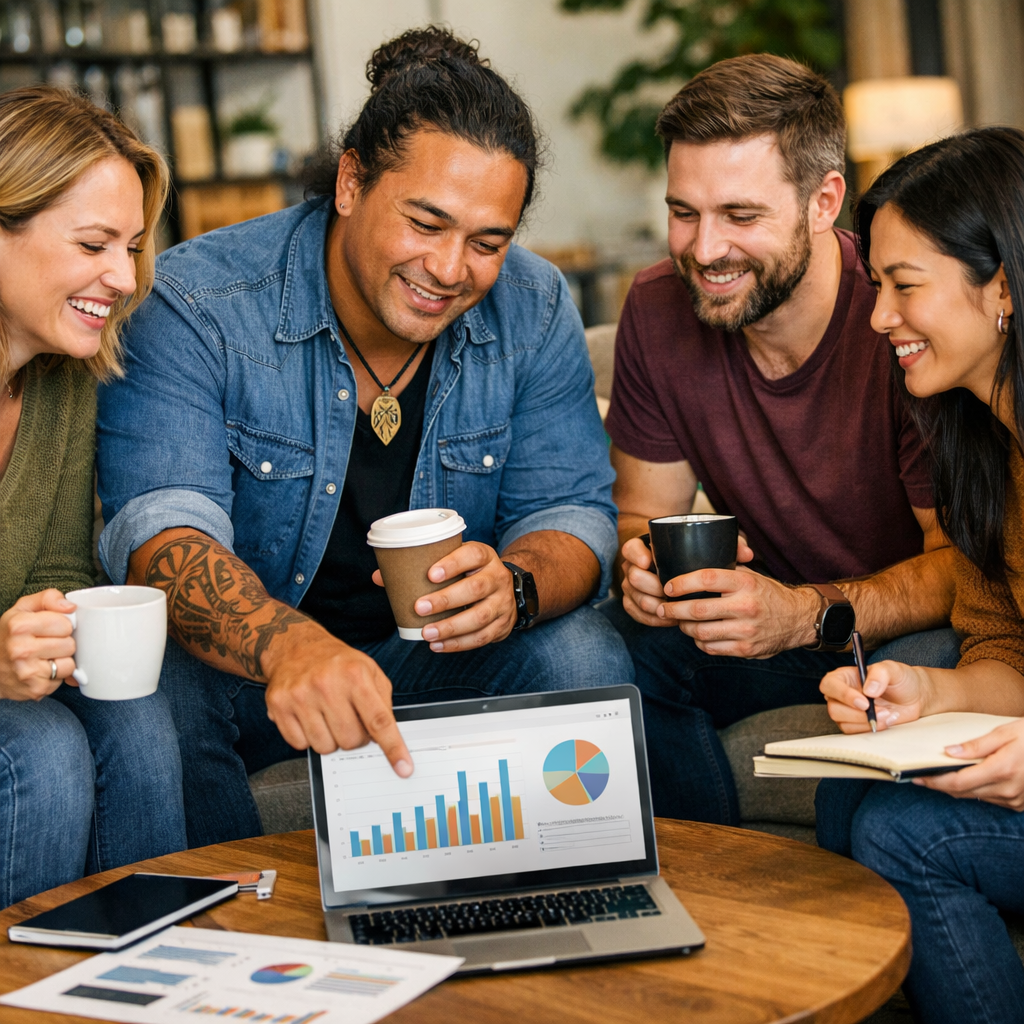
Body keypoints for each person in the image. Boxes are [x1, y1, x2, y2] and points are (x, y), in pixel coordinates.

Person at [96, 27, 632, 848]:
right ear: (351, 181)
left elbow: (573, 512)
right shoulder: (198, 303)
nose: (451, 269)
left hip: (427, 665)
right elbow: (161, 531)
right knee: (160, 683)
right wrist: (290, 648)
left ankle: (557, 922)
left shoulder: (535, 305)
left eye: (487, 242)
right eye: (425, 223)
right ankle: (226, 933)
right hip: (250, 683)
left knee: (580, 654)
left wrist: (518, 586)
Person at [601, 53, 960, 825]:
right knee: (611, 653)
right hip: (754, 630)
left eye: (740, 216)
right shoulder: (661, 309)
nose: (703, 249)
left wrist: (802, 614)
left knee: (910, 690)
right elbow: (641, 512)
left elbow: (960, 568)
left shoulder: (901, 322)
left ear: (824, 200)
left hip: (895, 632)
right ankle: (713, 894)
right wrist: (642, 567)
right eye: (684, 211)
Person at [816, 127, 1024, 1024]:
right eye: (877, 288)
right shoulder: (983, 448)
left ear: (1004, 287)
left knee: (904, 836)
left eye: (905, 287)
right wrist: (926, 692)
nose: (877, 319)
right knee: (843, 800)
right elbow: (1003, 651)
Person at [0, 86, 186, 908]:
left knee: (140, 712)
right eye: (94, 244)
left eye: (133, 246)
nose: (124, 277)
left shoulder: (64, 372)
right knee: (39, 750)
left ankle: (159, 975)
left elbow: (55, 567)